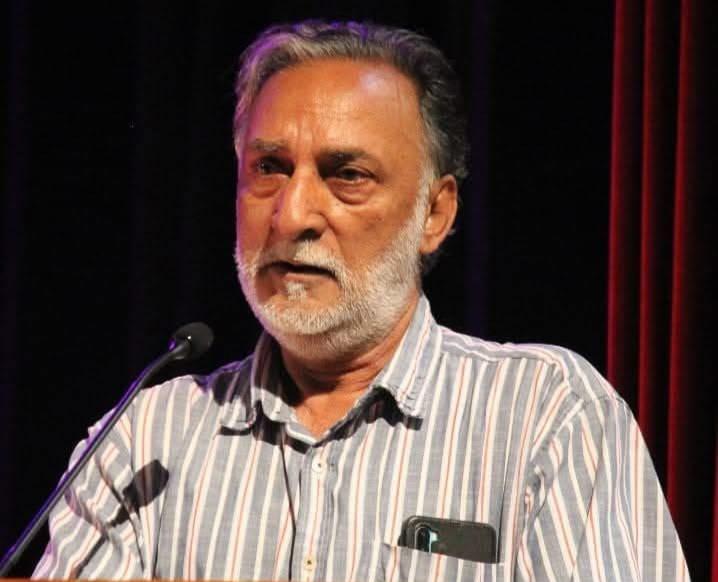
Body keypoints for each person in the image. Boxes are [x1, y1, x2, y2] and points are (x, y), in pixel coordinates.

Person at [34, 20, 689, 581]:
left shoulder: (547, 415)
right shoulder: (143, 442)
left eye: (347, 174)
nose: (292, 215)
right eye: (269, 168)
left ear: (435, 214)